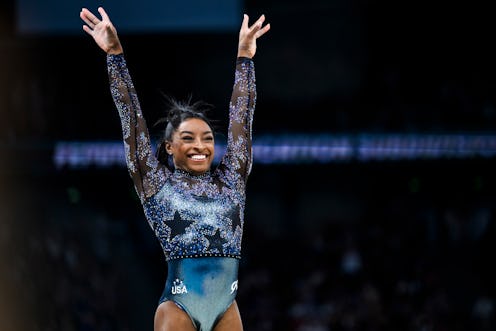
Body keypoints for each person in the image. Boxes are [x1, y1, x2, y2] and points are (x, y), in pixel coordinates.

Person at [80, 6, 270, 331]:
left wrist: (245, 58)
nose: (200, 145)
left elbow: (242, 115)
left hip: (227, 306)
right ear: (170, 147)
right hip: (179, 306)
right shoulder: (155, 182)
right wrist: (114, 55)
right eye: (188, 138)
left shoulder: (232, 178)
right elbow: (130, 117)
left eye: (208, 138)